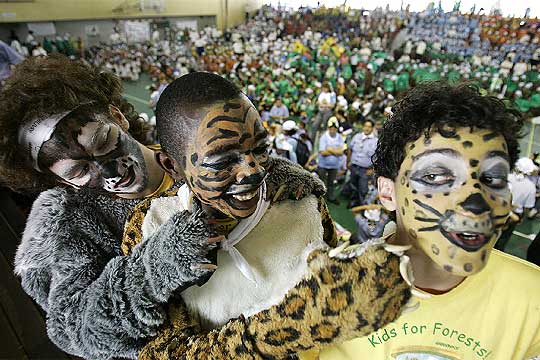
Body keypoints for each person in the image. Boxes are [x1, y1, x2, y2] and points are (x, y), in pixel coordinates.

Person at [1, 56, 325, 360]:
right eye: (78, 172)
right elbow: (74, 329)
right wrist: (154, 269)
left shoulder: (187, 145)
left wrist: (268, 181)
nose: (111, 172)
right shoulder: (68, 224)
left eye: (102, 141)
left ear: (118, 116)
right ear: (56, 180)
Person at [119, 72, 410, 360]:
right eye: (223, 160)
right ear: (172, 166)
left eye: (260, 149)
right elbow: (161, 350)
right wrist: (283, 329)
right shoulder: (149, 227)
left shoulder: (303, 202)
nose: (254, 170)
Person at [301, 81, 540, 360]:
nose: (476, 205)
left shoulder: (534, 300)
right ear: (388, 192)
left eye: (492, 179)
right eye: (435, 177)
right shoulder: (324, 292)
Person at [346, 119, 378, 208]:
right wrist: (348, 162)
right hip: (354, 166)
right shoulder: (357, 137)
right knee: (353, 185)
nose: (367, 128)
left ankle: (362, 207)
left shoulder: (376, 141)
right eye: (365, 126)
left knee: (363, 189)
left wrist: (373, 169)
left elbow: (379, 158)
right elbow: (350, 149)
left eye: (369, 127)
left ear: (372, 128)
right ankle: (353, 201)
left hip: (365, 169)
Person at [318, 117, 345, 204]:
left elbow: (341, 152)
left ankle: (331, 197)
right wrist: (335, 151)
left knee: (331, 182)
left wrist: (329, 149)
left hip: (334, 165)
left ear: (336, 129)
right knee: (322, 182)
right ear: (328, 128)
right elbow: (322, 152)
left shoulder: (340, 137)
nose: (332, 130)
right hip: (323, 164)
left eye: (334, 129)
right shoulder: (323, 137)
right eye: (331, 129)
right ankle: (322, 198)